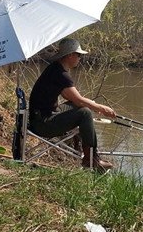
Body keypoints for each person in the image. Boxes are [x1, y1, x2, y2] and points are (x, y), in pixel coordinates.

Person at [28, 38, 116, 172]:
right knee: (85, 112)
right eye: (79, 55)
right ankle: (91, 160)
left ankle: (83, 150)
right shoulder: (60, 74)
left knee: (82, 107)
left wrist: (92, 104)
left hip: (40, 118)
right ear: (70, 55)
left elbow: (73, 99)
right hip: (43, 124)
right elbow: (79, 100)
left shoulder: (55, 69)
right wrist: (101, 108)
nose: (80, 58)